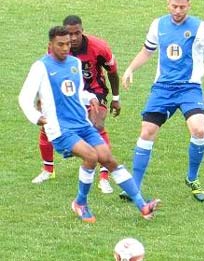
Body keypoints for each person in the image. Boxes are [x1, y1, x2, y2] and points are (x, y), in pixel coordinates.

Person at [19, 26, 160, 223]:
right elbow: (24, 98)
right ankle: (80, 203)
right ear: (50, 45)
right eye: (61, 44)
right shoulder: (40, 67)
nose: (66, 48)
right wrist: (36, 117)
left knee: (108, 158)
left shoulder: (75, 63)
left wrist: (91, 97)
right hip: (60, 129)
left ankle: (142, 205)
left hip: (82, 124)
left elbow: (75, 93)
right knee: (91, 156)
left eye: (68, 44)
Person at [120, 0, 204, 202]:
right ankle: (135, 187)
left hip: (189, 88)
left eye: (182, 6)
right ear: (168, 3)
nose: (178, 11)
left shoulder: (199, 27)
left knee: (199, 130)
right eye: (174, 6)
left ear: (189, 5)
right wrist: (130, 69)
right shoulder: (158, 24)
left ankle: (192, 177)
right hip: (163, 88)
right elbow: (147, 51)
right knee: (147, 130)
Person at [32, 15, 121, 194]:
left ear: (83, 31)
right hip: (65, 93)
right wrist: (40, 100)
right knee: (48, 126)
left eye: (77, 33)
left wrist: (116, 98)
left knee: (96, 125)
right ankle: (48, 170)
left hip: (95, 91)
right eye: (69, 34)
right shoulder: (57, 49)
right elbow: (46, 73)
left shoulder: (99, 47)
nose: (72, 38)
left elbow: (112, 72)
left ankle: (104, 177)